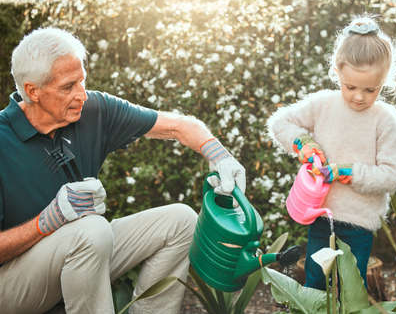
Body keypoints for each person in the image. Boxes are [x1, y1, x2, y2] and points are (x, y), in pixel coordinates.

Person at [0, 27, 246, 314]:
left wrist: (220, 155)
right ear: (33, 91)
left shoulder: (94, 110)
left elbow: (179, 125)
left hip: (84, 252)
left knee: (180, 221)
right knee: (91, 229)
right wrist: (48, 221)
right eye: (68, 87)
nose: (81, 95)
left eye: (82, 81)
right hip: (12, 286)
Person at [267, 16, 396, 290]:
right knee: (315, 285)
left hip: (359, 225)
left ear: (385, 80)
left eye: (370, 89)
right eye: (350, 86)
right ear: (337, 72)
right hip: (321, 217)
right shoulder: (323, 104)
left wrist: (348, 173)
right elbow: (279, 123)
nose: (358, 96)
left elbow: (391, 176)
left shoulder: (386, 120)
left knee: (351, 291)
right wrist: (302, 143)